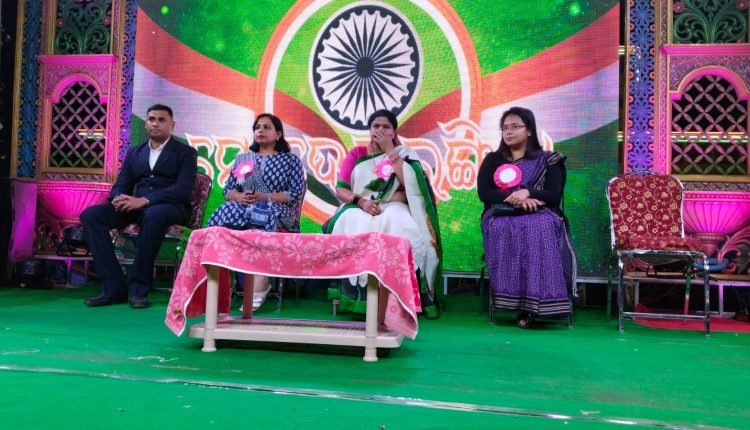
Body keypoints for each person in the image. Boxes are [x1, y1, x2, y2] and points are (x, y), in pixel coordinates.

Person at [325, 109, 442, 318]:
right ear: (370, 130)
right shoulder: (357, 154)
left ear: (394, 132)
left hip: (394, 206)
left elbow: (414, 189)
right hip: (360, 205)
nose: (380, 130)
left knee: (401, 224)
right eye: (376, 126)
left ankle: (402, 298)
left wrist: (390, 151)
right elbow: (341, 190)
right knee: (352, 221)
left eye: (386, 127)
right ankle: (356, 298)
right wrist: (361, 201)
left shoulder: (405, 154)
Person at [81, 104, 198, 308]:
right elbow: (123, 183)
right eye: (151, 119)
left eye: (161, 120)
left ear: (172, 125)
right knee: (91, 215)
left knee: (154, 215)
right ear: (146, 124)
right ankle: (113, 287)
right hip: (137, 206)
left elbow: (183, 189)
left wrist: (145, 200)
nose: (155, 124)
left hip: (170, 207)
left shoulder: (186, 152)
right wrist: (118, 198)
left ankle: (139, 289)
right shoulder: (136, 152)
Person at [477, 106, 576, 328]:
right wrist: (518, 198)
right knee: (504, 227)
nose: (509, 132)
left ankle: (534, 305)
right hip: (501, 213)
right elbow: (484, 194)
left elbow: (553, 194)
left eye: (515, 127)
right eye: (505, 128)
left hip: (540, 212)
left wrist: (529, 192)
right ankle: (515, 301)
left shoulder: (548, 160)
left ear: (529, 130)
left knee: (538, 225)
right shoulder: (493, 159)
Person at [205, 113, 305, 310]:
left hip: (276, 209)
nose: (260, 130)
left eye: (267, 127)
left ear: (278, 134)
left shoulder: (290, 160)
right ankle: (223, 279)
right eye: (257, 127)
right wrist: (239, 197)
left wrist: (264, 197)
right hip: (243, 206)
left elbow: (294, 194)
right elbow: (228, 191)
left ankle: (261, 280)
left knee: (263, 214)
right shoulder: (243, 159)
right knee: (224, 212)